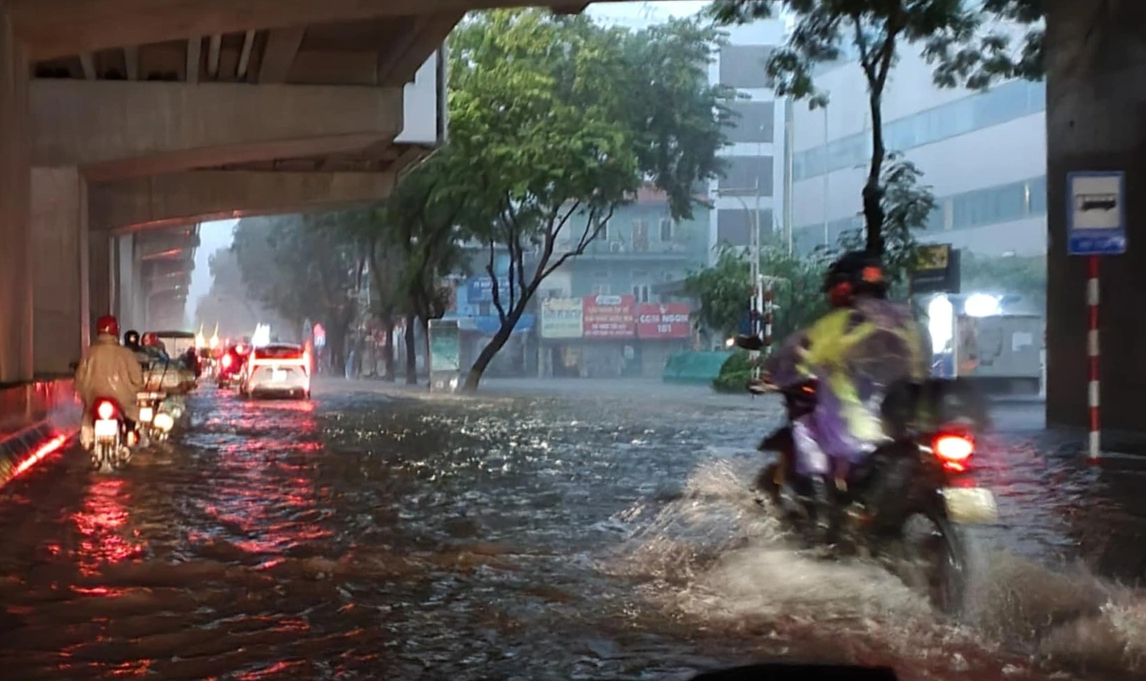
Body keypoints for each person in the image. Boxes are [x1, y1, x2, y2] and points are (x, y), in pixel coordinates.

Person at [763, 251, 930, 542]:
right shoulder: (911, 323)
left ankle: (822, 518)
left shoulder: (839, 325)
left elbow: (793, 361)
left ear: (841, 287)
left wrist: (774, 376)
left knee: (804, 430)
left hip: (857, 426)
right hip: (908, 425)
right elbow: (924, 367)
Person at [75, 315, 144, 449]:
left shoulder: (89, 354)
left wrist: (85, 395)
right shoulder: (126, 354)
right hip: (123, 400)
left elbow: (79, 380)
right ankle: (129, 436)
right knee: (132, 417)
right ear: (116, 331)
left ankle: (88, 440)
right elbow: (138, 381)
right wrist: (133, 391)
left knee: (87, 419)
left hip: (93, 398)